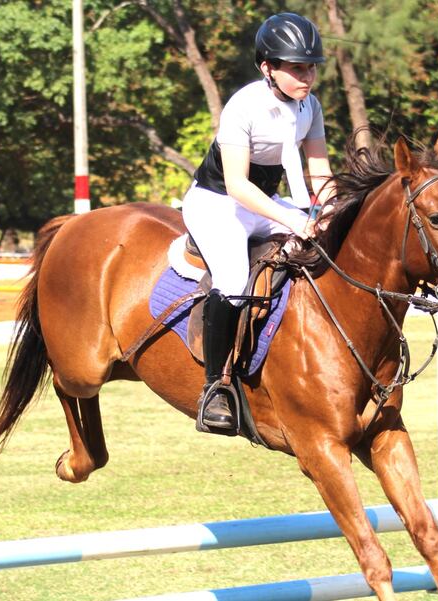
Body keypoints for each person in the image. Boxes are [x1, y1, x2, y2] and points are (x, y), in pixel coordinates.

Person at [170, 12, 335, 432]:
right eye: (297, 67)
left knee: (325, 248)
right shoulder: (243, 105)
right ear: (268, 68)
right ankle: (215, 388)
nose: (307, 76)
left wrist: (330, 210)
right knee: (232, 277)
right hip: (217, 204)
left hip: (266, 202)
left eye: (311, 66)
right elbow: (238, 185)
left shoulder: (309, 106)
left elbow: (319, 172)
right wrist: (290, 219)